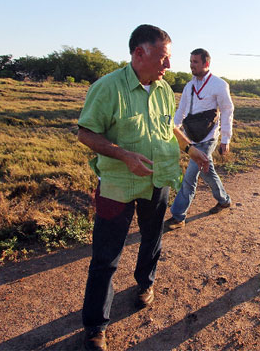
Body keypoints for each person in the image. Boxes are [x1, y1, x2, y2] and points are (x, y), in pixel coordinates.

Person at [77, 24, 209, 351]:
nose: (168, 66)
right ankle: (95, 326)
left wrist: (188, 147)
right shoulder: (107, 88)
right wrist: (123, 155)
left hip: (157, 178)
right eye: (163, 58)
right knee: (106, 256)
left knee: (152, 238)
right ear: (140, 53)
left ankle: (144, 284)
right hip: (117, 185)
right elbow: (86, 133)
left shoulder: (163, 89)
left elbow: (168, 126)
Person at [164, 48, 234, 230]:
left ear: (206, 63)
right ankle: (224, 200)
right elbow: (181, 110)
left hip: (209, 137)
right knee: (206, 171)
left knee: (190, 176)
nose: (191, 65)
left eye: (195, 62)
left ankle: (178, 216)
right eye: (191, 61)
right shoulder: (189, 86)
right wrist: (172, 129)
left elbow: (227, 111)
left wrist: (225, 139)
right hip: (192, 137)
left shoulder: (219, 85)